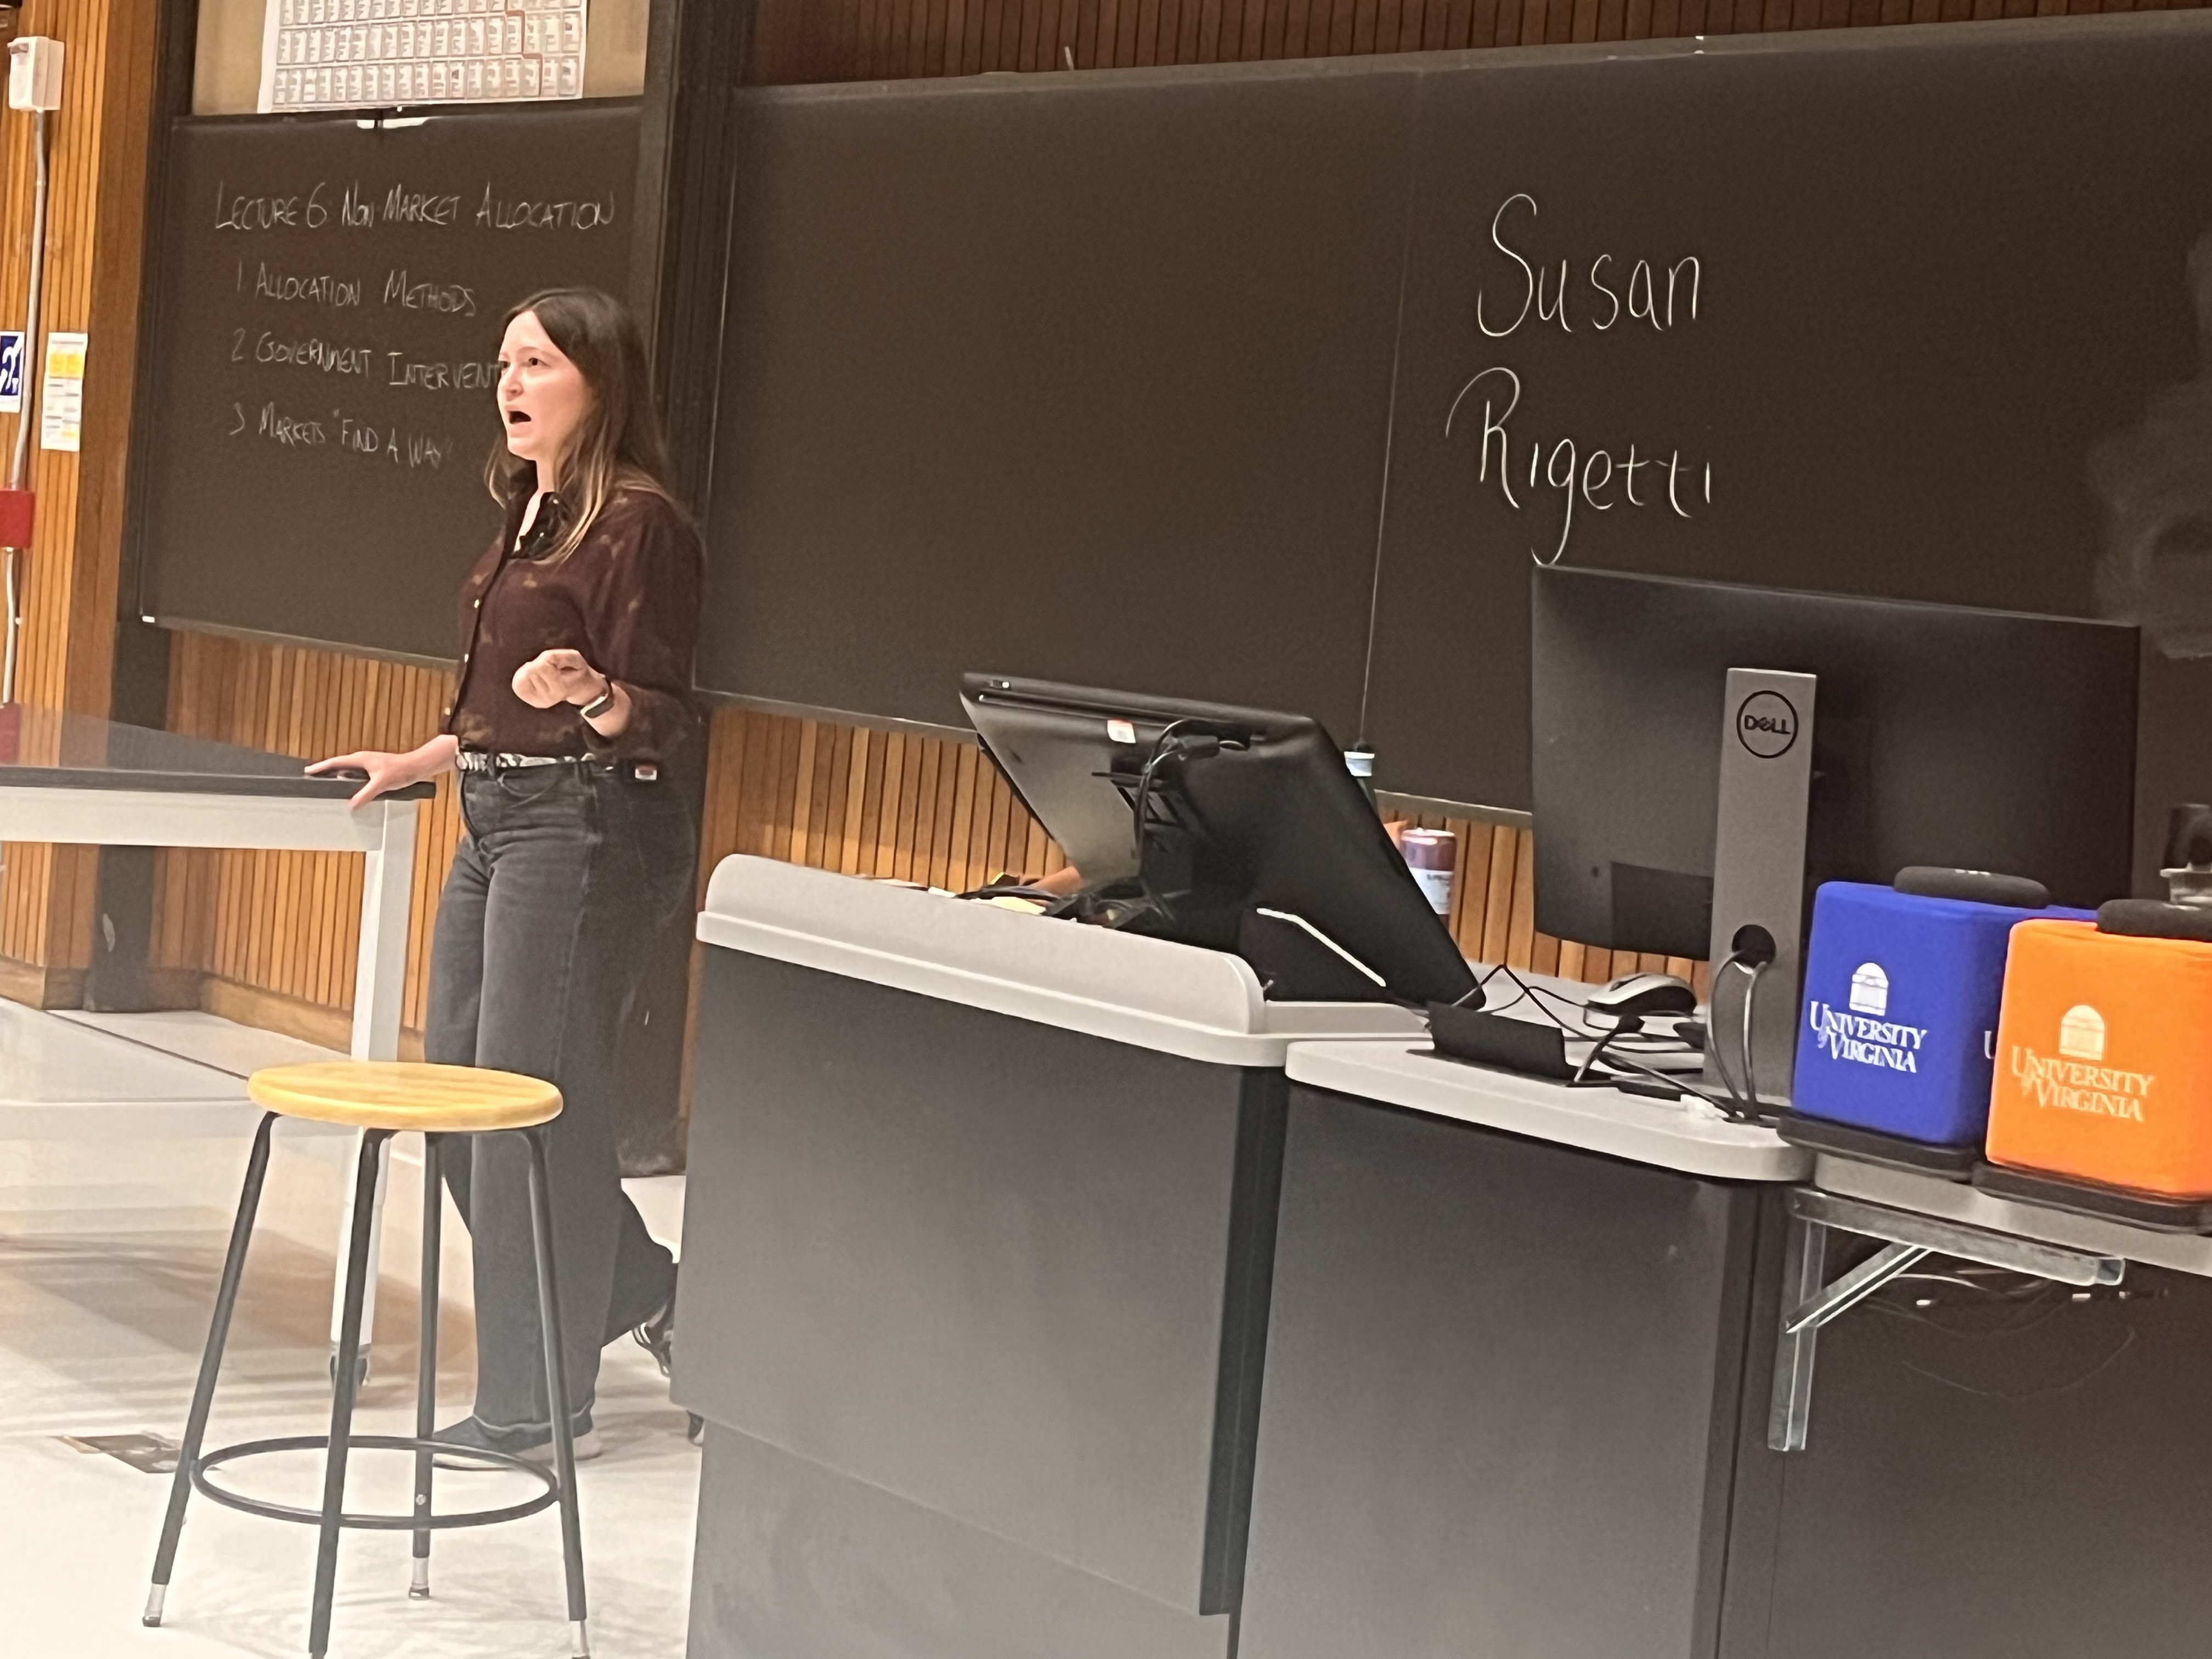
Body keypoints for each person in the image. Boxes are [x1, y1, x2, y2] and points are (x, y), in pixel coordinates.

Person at [311, 287, 703, 1465]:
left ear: (600, 382)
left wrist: (590, 690)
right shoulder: (531, 511)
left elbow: (659, 711)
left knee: (529, 1111)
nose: (511, 384)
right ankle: (650, 1288)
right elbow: (494, 701)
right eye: (502, 365)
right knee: (462, 1112)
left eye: (536, 362)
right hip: (493, 814)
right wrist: (430, 755)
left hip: (585, 828)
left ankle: (538, 1407)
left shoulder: (639, 524)